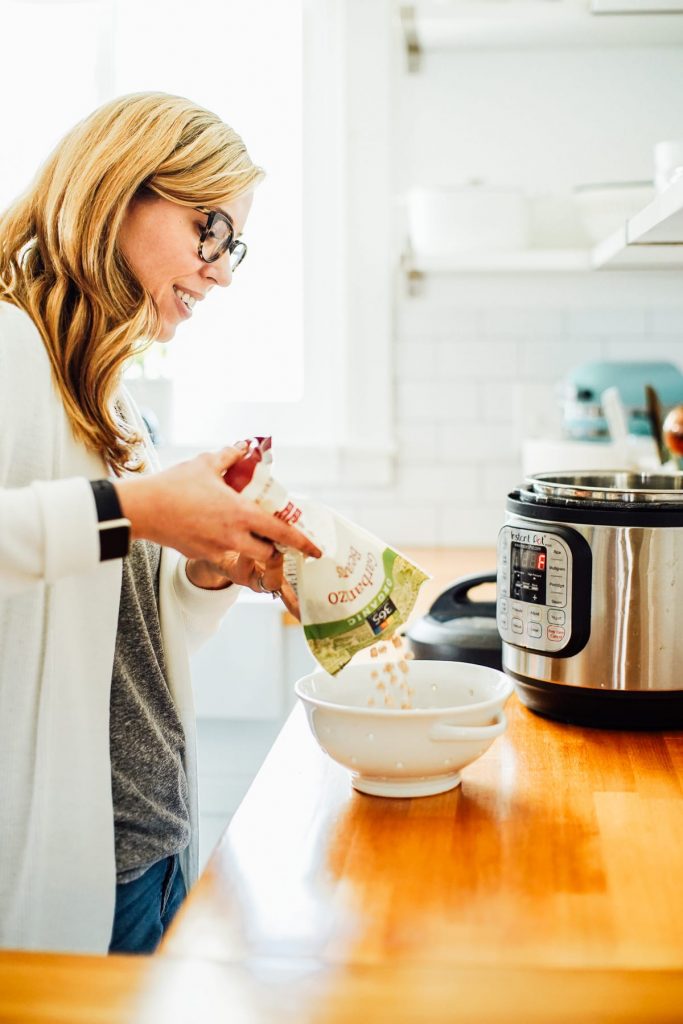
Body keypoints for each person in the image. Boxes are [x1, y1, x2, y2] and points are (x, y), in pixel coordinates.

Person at [0, 92, 320, 956]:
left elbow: (137, 631)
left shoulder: (112, 398)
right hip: (67, 865)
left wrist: (207, 567)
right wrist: (138, 508)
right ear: (117, 192)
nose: (220, 270)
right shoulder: (6, 345)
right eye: (209, 229)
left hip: (148, 843)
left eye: (233, 247)